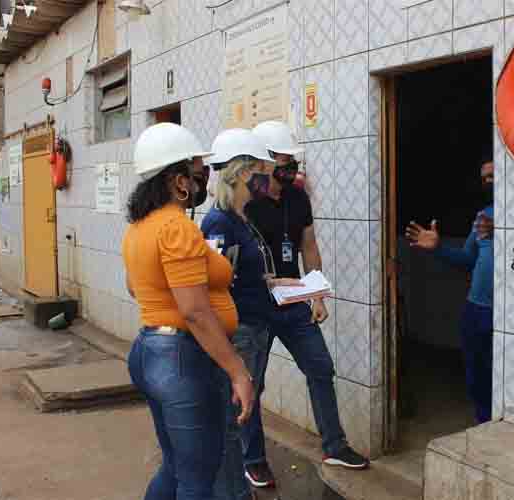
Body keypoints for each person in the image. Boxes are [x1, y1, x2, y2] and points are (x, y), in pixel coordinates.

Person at [123, 123, 255, 500]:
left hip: (151, 350)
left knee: (177, 467)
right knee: (198, 479)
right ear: (180, 182)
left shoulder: (139, 227)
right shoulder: (175, 228)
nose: (204, 182)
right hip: (182, 359)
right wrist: (238, 372)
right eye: (200, 172)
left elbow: (135, 286)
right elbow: (195, 312)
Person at [239, 120, 369, 488]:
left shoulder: (298, 197)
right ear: (265, 162)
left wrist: (317, 293)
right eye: (284, 160)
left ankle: (335, 445)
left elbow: (308, 246)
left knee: (320, 367)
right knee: (253, 385)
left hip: (294, 301)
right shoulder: (247, 201)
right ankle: (253, 459)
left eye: (292, 160)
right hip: (256, 307)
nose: (291, 166)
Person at [200, 129, 303, 499]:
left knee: (247, 398)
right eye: (262, 168)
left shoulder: (241, 218)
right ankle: (234, 484)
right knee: (238, 408)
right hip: (241, 328)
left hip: (255, 323)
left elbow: (239, 272)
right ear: (244, 173)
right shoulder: (219, 223)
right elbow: (211, 285)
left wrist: (272, 281)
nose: (268, 175)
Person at [405, 160, 495, 424]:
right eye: (484, 177)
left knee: (502, 376)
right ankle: (483, 424)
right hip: (476, 310)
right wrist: (437, 247)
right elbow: (468, 259)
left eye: (494, 175)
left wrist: (504, 230)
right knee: (477, 378)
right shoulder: (482, 217)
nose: (488, 182)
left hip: (506, 315)